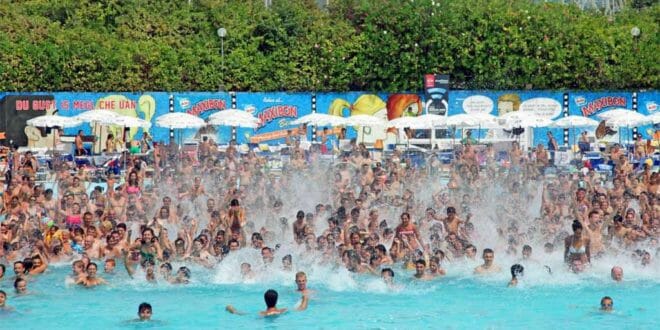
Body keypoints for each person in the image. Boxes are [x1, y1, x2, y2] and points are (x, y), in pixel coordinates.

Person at [225, 289, 308, 316]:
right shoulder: (283, 311)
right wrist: (305, 298)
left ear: (265, 300)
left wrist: (230, 308)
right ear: (276, 300)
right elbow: (302, 308)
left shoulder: (261, 314)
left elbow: (240, 313)